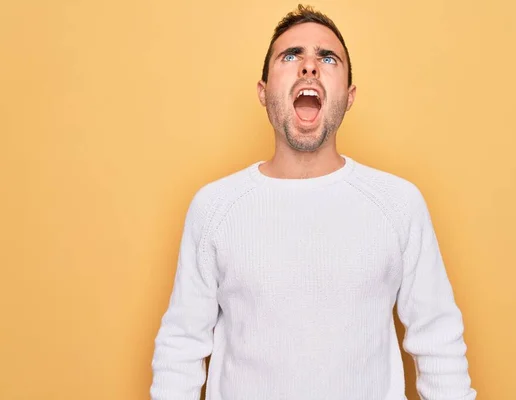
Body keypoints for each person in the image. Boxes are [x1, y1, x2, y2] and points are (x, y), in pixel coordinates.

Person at [150, 4, 476, 400]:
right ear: (263, 91)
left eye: (327, 57)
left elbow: (439, 343)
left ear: (349, 95)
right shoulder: (215, 208)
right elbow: (180, 348)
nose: (309, 67)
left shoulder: (399, 204)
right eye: (291, 56)